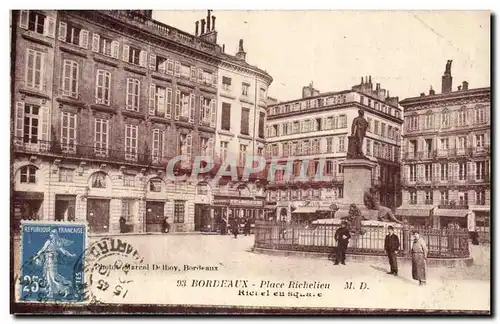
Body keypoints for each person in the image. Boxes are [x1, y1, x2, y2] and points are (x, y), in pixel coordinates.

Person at [33, 229, 76, 298]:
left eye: (53, 234)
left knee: (53, 277)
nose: (51, 235)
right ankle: (51, 292)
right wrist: (36, 256)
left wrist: (70, 255)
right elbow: (42, 250)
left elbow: (64, 251)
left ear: (55, 235)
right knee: (48, 277)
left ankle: (65, 287)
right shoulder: (48, 242)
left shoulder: (57, 243)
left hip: (53, 261)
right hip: (47, 261)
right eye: (51, 234)